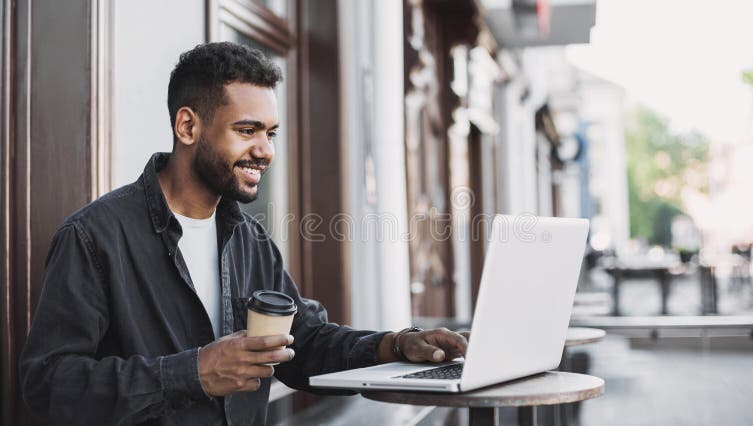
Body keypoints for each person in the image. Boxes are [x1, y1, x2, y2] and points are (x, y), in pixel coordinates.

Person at [19, 42, 468, 425]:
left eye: (270, 133)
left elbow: (303, 342)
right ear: (188, 126)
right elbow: (47, 385)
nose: (265, 151)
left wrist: (394, 345)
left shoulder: (250, 241)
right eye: (247, 130)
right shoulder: (94, 237)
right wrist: (192, 373)